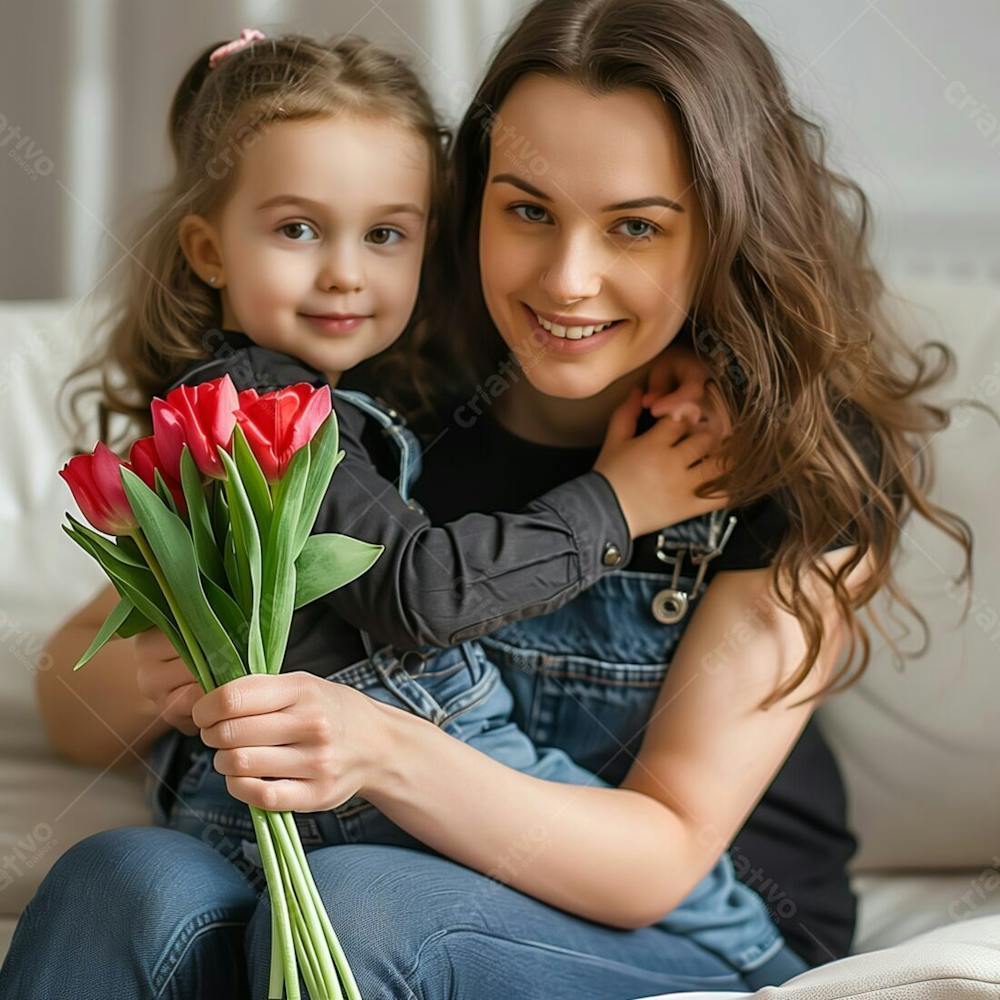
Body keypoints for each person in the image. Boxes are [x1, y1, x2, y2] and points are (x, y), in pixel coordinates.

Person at [5, 1, 976, 998]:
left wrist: (386, 749)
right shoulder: (370, 388)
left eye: (636, 226)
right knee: (120, 879)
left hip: (677, 919)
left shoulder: (784, 454)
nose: (568, 279)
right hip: (357, 859)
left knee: (366, 906)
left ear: (726, 231)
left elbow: (656, 857)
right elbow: (68, 702)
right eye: (528, 211)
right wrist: (178, 665)